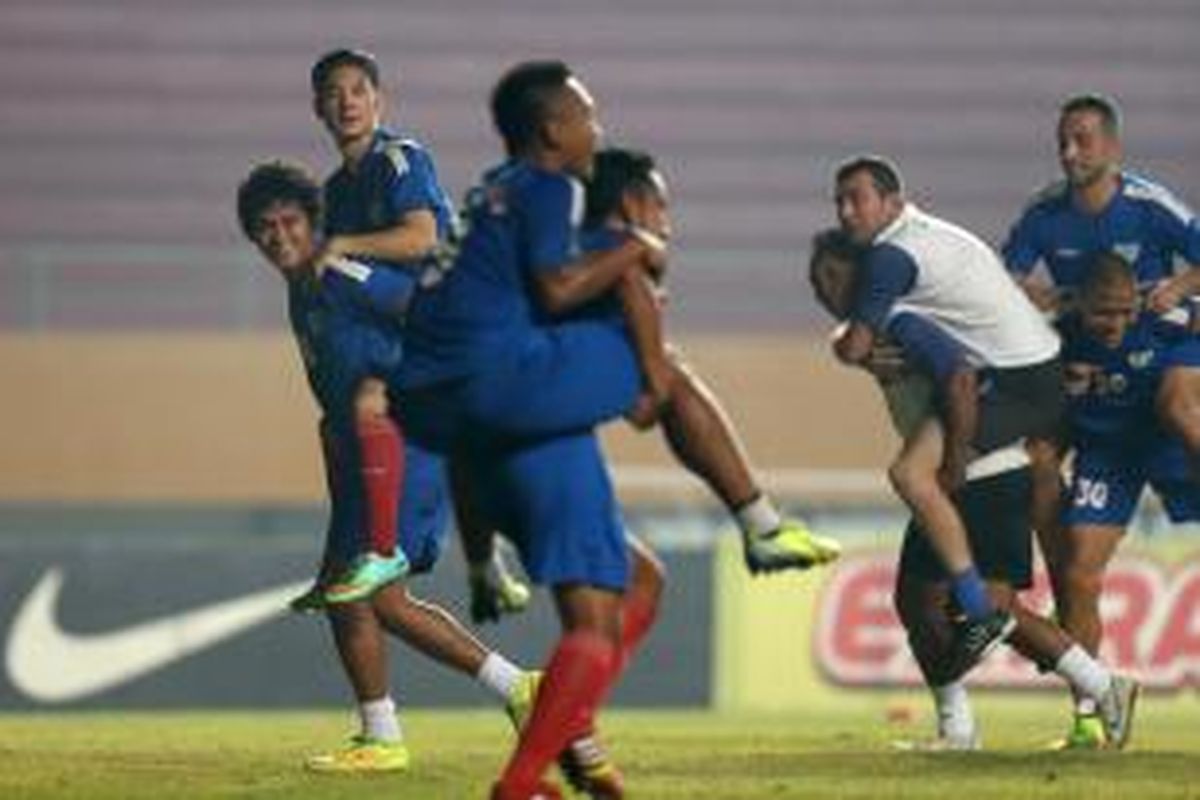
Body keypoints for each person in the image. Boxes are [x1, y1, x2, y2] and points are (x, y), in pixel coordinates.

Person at [236, 160, 538, 773]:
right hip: (363, 453)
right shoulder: (303, 290)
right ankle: (407, 724)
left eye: (289, 221)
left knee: (371, 593)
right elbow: (333, 394)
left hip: (407, 444)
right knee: (352, 594)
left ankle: (483, 702)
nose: (279, 235)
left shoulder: (345, 273)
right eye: (263, 227)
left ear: (314, 221)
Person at [809, 230, 1140, 751]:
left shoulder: (905, 319)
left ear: (866, 275)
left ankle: (1102, 686)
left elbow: (962, 377)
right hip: (950, 478)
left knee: (992, 606)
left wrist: (960, 455)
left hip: (981, 472)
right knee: (916, 603)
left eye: (834, 274)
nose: (824, 287)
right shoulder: (872, 330)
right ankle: (958, 728)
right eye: (817, 278)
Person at [1002, 92, 1200, 745]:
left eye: (1083, 139)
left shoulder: (1148, 206)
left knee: (1178, 404)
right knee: (1078, 563)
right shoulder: (1043, 216)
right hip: (1106, 427)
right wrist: (1043, 300)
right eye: (1063, 139)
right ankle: (1090, 713)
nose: (1069, 151)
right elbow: (1002, 282)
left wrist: (1183, 285)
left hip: (1167, 367)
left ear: (1112, 146)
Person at [308, 47, 531, 616]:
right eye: (335, 93)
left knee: (377, 397)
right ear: (319, 109)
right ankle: (487, 567)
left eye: (358, 90)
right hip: (420, 327)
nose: (347, 102)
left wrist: (342, 246)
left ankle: (393, 552)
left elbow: (422, 237)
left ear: (378, 101)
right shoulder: (336, 189)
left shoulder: (400, 158)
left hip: (456, 314)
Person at [831, 154, 1063, 673]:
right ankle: (962, 716)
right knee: (917, 597)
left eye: (857, 199)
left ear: (892, 202)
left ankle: (984, 613)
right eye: (839, 202)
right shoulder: (929, 236)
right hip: (1029, 374)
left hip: (1018, 387)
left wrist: (955, 457)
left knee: (911, 473)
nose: (846, 211)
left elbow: (861, 348)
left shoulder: (889, 261)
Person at [1050, 253, 1200, 748]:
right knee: (1077, 575)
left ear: (1136, 300)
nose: (1114, 323)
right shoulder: (1056, 336)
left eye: (1123, 311)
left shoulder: (1174, 320)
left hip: (1171, 447)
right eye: (1102, 313)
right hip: (1106, 459)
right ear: (1081, 304)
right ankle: (1088, 716)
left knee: (1179, 404)